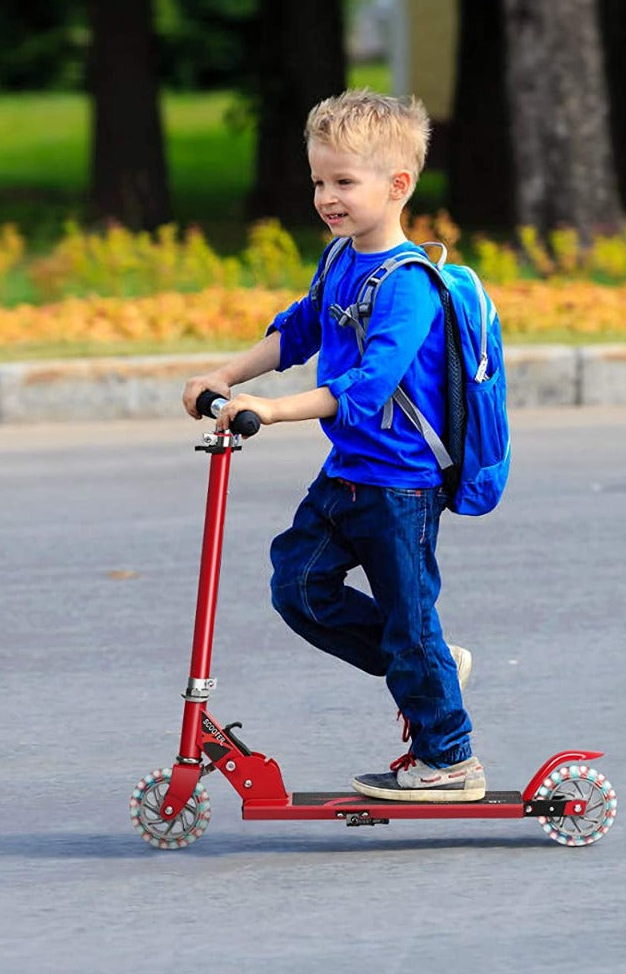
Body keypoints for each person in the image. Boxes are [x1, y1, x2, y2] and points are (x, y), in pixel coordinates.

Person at [182, 88, 483, 802]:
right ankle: (431, 666)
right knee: (299, 587)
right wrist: (224, 375)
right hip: (348, 472)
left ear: (397, 185)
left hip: (400, 485)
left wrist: (272, 409)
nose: (327, 196)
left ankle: (452, 761)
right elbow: (299, 330)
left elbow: (367, 388)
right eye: (320, 181)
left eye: (344, 182)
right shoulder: (338, 260)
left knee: (409, 620)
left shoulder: (410, 285)